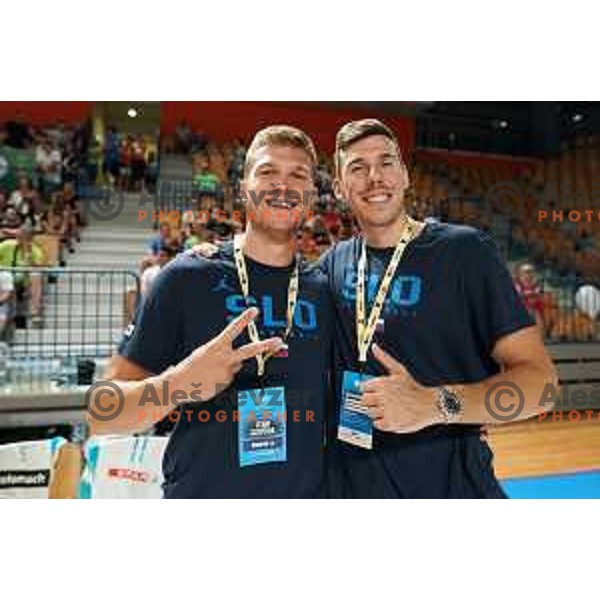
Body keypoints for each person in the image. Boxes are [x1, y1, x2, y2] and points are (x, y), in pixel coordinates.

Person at [87, 125, 334, 499]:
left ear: (312, 196)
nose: (282, 186)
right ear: (242, 188)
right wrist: (178, 384)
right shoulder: (186, 278)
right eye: (267, 172)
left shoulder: (323, 289)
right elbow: (104, 412)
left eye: (298, 176)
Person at [321, 119, 557, 498]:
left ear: (405, 176)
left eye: (386, 163)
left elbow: (541, 387)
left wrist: (433, 404)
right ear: (338, 188)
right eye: (357, 168)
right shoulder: (333, 264)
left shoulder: (465, 252)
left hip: (452, 490)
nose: (375, 177)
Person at [0, 224, 45, 326]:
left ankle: (35, 312)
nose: (19, 238)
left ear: (30, 238)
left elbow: (36, 267)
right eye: (19, 235)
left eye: (24, 236)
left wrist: (28, 253)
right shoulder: (8, 244)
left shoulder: (35, 250)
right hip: (4, 276)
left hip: (23, 280)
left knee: (36, 275)